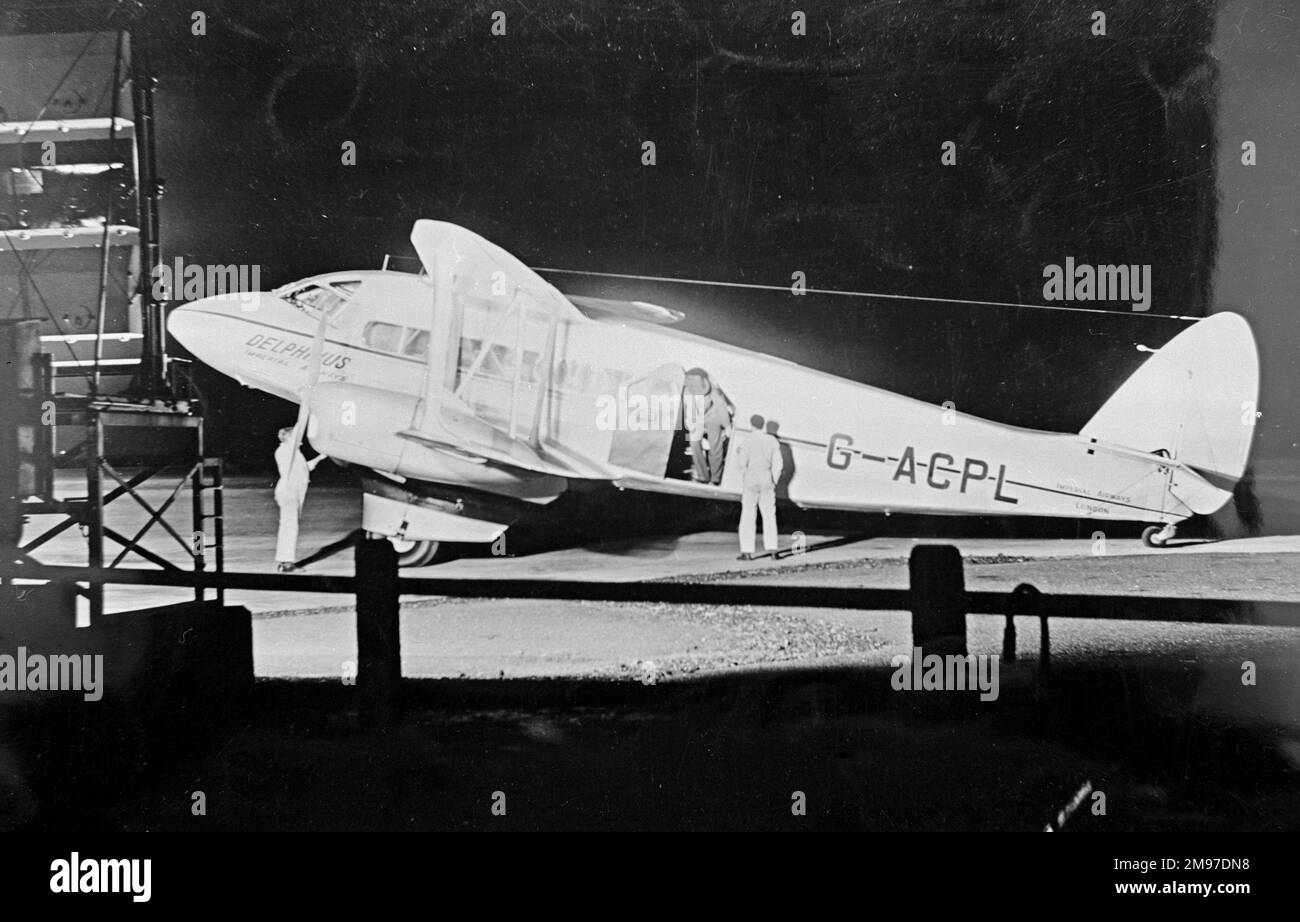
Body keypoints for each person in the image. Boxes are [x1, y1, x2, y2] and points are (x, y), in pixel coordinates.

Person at [274, 426, 326, 572]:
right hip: (289, 491)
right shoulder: (285, 451)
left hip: (294, 491)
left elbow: (305, 468)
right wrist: (306, 409)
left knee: (290, 525)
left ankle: (286, 562)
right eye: (297, 439)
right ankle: (286, 563)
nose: (301, 442)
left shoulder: (293, 453)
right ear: (289, 438)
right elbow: (297, 431)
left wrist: (321, 457)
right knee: (289, 526)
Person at [734, 414, 783, 560]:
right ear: (764, 426)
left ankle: (747, 552)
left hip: (751, 476)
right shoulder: (772, 440)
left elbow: (742, 463)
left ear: (751, 425)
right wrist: (774, 480)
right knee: (769, 514)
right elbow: (779, 464)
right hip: (766, 476)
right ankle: (773, 550)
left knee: (748, 514)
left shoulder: (747, 440)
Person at [684, 368, 734, 484]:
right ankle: (703, 475)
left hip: (713, 417)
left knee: (715, 446)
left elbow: (721, 407)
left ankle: (715, 477)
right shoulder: (687, 391)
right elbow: (687, 408)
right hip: (697, 418)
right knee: (694, 442)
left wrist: (727, 426)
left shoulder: (713, 391)